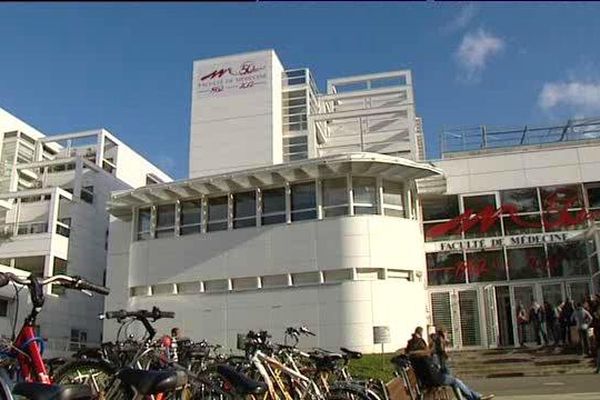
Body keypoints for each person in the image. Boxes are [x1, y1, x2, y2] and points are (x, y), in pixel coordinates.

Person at [406, 337, 494, 400]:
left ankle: (475, 397)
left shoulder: (414, 358)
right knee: (456, 381)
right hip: (434, 380)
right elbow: (431, 368)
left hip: (429, 380)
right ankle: (475, 397)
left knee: (454, 380)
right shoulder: (421, 357)